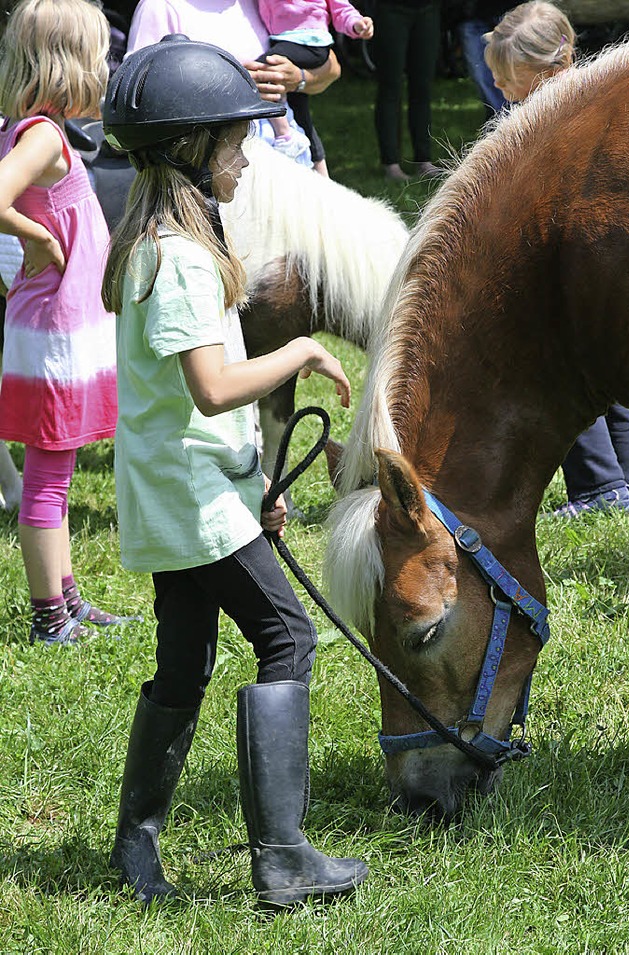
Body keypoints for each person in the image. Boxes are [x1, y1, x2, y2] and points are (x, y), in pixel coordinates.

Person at [101, 34, 368, 906]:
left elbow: (179, 411)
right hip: (192, 499)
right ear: (190, 148)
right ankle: (282, 856)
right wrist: (296, 349)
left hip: (189, 495)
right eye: (233, 144)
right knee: (287, 636)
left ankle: (135, 847)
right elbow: (213, 389)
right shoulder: (179, 258)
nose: (246, 161)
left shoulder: (158, 243)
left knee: (183, 662)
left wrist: (253, 487)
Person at [0, 0, 135, 647]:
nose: (104, 68)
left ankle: (68, 599)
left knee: (55, 471)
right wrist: (35, 237)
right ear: (68, 63)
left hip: (59, 330)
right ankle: (49, 617)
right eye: (97, 55)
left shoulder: (37, 128)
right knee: (47, 482)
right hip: (52, 335)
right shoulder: (42, 136)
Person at [484, 2, 629, 518]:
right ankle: (627, 481)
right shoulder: (579, 107)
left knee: (567, 368)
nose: (502, 91)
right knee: (607, 374)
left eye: (508, 79)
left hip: (571, 270)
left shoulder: (562, 118)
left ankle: (599, 488)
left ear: (556, 68)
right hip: (590, 271)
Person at [126, 0, 341, 168]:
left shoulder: (257, 2)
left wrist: (299, 78)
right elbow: (137, 95)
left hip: (284, 158)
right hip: (209, 170)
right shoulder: (159, 7)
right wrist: (230, 85)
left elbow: (330, 65)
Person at [256, 0, 374, 174]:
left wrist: (356, 24)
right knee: (301, 115)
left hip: (309, 40)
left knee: (262, 69)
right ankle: (322, 174)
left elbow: (341, 8)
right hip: (284, 40)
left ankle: (284, 135)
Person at [372, 0, 443, 182]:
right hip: (391, 10)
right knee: (390, 88)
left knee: (422, 88)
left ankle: (423, 159)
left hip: (428, 10)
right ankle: (391, 163)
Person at [458, 1, 510, 117]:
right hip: (473, 15)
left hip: (511, 12)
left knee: (514, 75)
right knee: (482, 76)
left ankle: (512, 121)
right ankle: (499, 120)